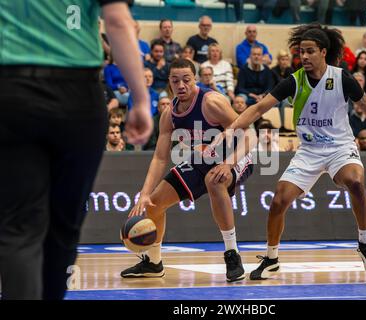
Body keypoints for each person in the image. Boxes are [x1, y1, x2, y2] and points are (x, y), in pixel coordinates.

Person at [214, 24, 366, 281]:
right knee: (279, 200)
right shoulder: (294, 81)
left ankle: (365, 243)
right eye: (301, 51)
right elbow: (259, 109)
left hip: (340, 147)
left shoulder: (342, 78)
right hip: (309, 151)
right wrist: (233, 128)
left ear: (323, 52)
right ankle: (271, 258)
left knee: (356, 182)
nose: (303, 56)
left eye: (309, 51)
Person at [0, 0, 152, 300]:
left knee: (19, 228)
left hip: (11, 89)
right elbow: (118, 21)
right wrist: (141, 100)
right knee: (63, 228)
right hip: (77, 95)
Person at [120, 58, 256, 283]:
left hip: (237, 155)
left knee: (215, 180)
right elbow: (160, 157)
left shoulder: (211, 102)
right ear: (169, 84)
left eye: (186, 80)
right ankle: (153, 263)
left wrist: (229, 163)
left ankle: (233, 255)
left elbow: (250, 134)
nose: (181, 85)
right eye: (175, 81)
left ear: (195, 80)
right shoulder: (169, 114)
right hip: (204, 158)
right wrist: (144, 193)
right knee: (154, 203)